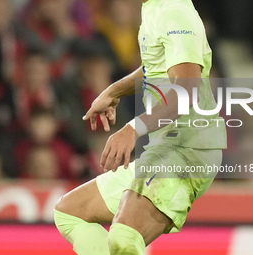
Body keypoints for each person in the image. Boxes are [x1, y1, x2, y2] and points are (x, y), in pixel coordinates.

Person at [54, 0, 227, 254]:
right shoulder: (153, 9)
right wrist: (114, 91)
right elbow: (156, 67)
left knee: (124, 240)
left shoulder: (175, 12)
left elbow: (186, 90)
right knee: (69, 213)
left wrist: (133, 128)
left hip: (187, 150)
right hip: (164, 148)